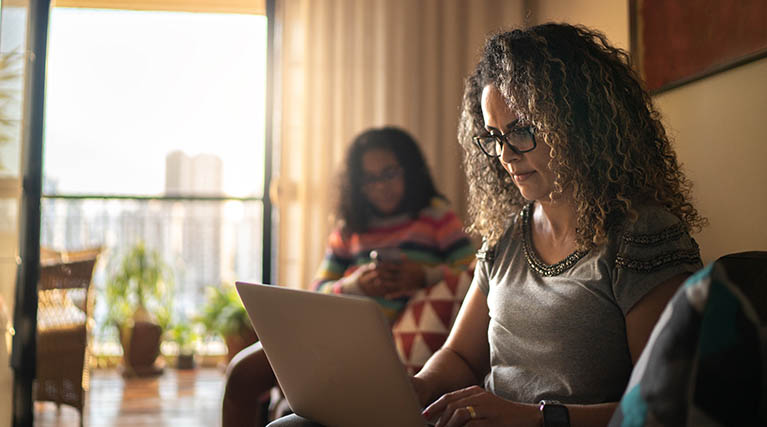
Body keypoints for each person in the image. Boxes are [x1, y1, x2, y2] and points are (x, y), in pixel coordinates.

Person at [268, 23, 706, 427]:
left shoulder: (642, 236)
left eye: (521, 131)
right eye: (493, 136)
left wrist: (531, 417)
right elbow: (459, 355)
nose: (504, 155)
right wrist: (413, 388)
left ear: (577, 123)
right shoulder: (508, 237)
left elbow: (659, 405)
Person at [223, 126, 474, 427]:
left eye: (390, 173)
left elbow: (473, 274)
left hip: (380, 347)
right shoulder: (350, 228)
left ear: (410, 170)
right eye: (369, 179)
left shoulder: (436, 216)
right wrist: (356, 285)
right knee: (242, 372)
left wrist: (423, 276)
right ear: (357, 185)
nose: (381, 186)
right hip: (333, 337)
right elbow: (317, 291)